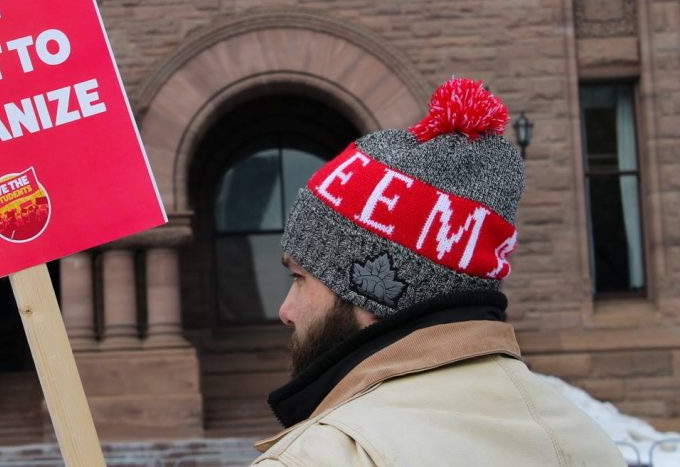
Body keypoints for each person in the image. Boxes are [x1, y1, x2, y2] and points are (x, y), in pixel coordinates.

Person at [252, 79, 625, 466]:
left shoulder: (324, 458)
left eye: (299, 277)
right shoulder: (588, 443)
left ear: (374, 289)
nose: (286, 309)